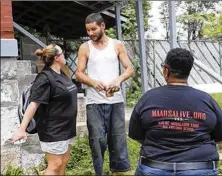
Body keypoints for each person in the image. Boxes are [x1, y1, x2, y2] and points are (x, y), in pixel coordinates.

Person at [129, 48, 222, 176]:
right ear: (188, 71)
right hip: (200, 168)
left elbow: (135, 135)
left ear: (166, 70)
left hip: (154, 166)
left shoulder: (148, 98)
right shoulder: (206, 100)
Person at [75, 13, 134, 175]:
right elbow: (79, 73)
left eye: (93, 29)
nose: (90, 33)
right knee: (97, 140)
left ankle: (118, 171)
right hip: (94, 102)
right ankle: (99, 172)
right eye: (88, 30)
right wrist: (93, 82)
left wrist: (119, 80)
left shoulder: (117, 45)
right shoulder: (85, 48)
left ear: (102, 26)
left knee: (118, 140)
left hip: (115, 101)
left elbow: (129, 69)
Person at [12, 44, 78, 175]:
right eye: (63, 53)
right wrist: (21, 129)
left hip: (67, 128)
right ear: (58, 57)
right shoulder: (45, 78)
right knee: (55, 165)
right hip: (53, 130)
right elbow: (33, 105)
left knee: (64, 162)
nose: (65, 55)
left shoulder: (62, 74)